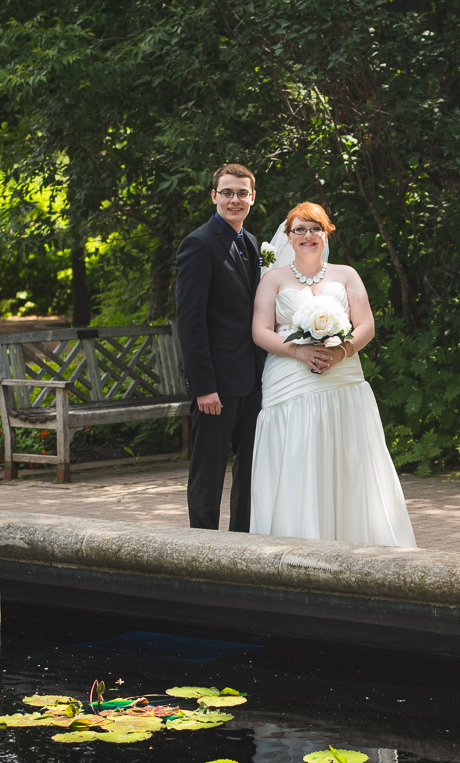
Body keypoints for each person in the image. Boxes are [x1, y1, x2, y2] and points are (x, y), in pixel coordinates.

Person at [248, 202, 415, 547]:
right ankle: (297, 543)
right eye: (300, 230)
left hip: (343, 377)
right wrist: (298, 350)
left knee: (349, 460)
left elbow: (366, 324)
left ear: (326, 234)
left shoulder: (346, 275)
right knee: (297, 459)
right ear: (288, 236)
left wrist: (341, 351)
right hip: (288, 380)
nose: (308, 236)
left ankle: (358, 543)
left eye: (315, 229)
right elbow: (261, 331)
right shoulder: (273, 279)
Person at [175, 163, 265, 531]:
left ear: (252, 198)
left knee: (251, 470)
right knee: (207, 473)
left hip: (254, 380)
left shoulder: (253, 243)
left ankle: (241, 543)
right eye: (227, 192)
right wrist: (203, 386)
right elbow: (190, 321)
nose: (235, 199)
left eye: (242, 193)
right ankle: (203, 547)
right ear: (214, 196)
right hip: (216, 385)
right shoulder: (198, 244)